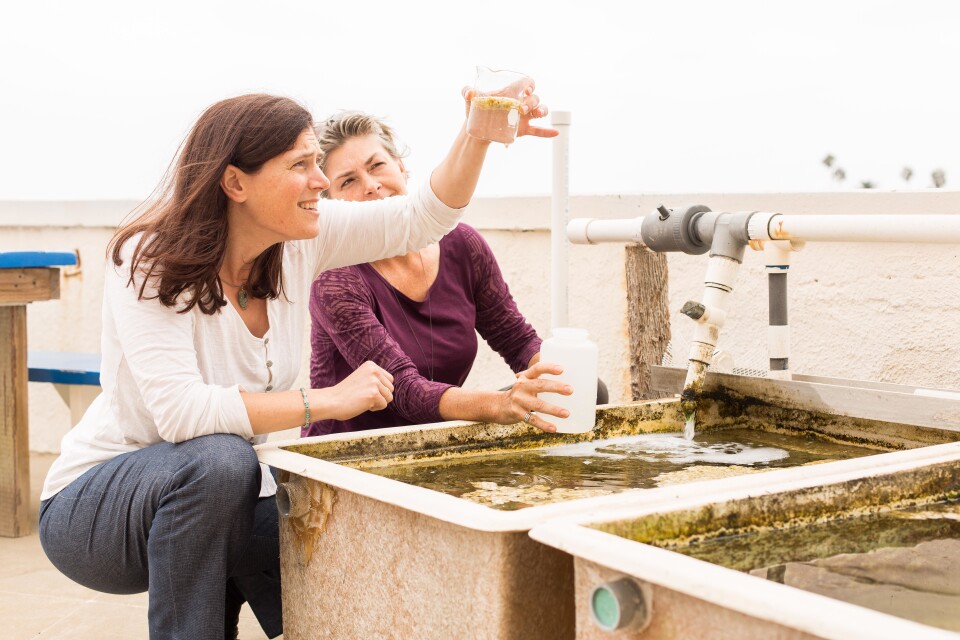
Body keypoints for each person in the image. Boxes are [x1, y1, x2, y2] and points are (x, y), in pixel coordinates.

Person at [38, 84, 557, 640]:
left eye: (317, 163)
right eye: (301, 165)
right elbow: (181, 414)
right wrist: (325, 401)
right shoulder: (149, 259)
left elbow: (423, 217)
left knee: (336, 521)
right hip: (97, 512)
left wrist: (477, 133)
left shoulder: (301, 242)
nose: (321, 182)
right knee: (222, 461)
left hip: (228, 497)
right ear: (235, 183)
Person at [305, 111, 607, 438]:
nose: (371, 185)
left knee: (588, 392)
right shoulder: (334, 279)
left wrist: (556, 378)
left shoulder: (462, 244)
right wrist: (500, 403)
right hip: (350, 455)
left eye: (377, 165)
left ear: (401, 167)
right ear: (330, 203)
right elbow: (403, 390)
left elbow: (516, 339)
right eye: (348, 181)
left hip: (440, 438)